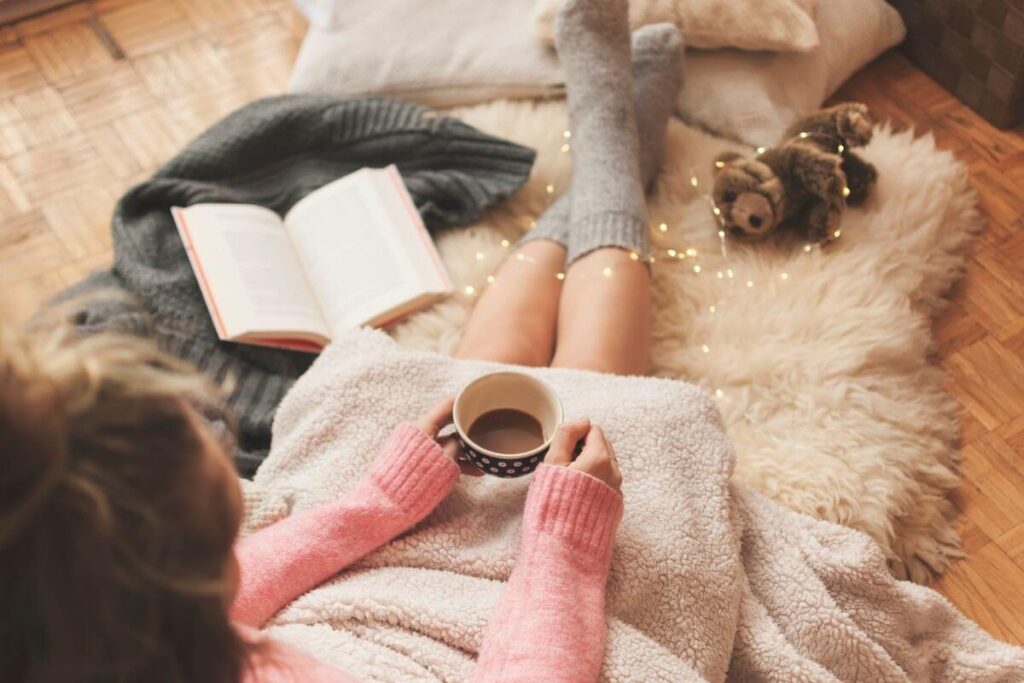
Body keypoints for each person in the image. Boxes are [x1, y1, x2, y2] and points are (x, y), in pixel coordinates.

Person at [1, 1, 684, 681]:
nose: (210, 432)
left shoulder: (117, 637)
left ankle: (610, 157)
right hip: (491, 635)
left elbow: (237, 586)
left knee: (480, 379)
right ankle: (615, 150)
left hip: (359, 605)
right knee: (591, 396)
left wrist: (380, 500)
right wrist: (566, 549)